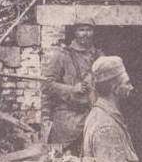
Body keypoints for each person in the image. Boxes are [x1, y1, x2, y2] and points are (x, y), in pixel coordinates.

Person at [42, 20, 102, 153]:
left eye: (89, 30)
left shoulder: (99, 56)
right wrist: (72, 89)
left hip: (92, 117)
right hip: (67, 118)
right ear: (74, 32)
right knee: (62, 161)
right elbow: (47, 85)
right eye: (81, 30)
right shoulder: (63, 55)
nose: (85, 34)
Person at [83, 56, 139, 162]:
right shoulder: (107, 127)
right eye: (127, 83)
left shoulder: (107, 117)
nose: (131, 87)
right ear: (115, 88)